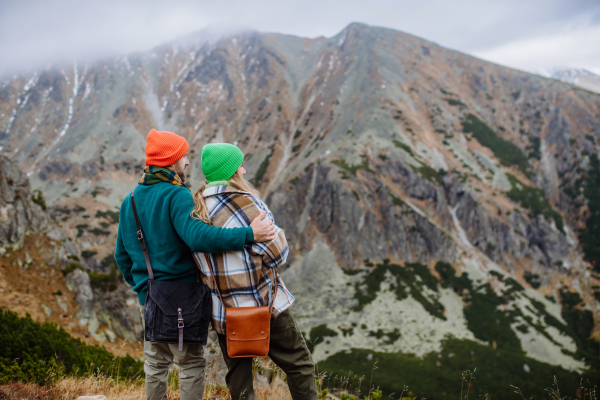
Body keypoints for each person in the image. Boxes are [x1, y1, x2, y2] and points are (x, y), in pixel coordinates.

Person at [115, 129, 276, 400]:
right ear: (171, 161)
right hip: (183, 297)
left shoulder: (129, 200)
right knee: (189, 364)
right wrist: (249, 234)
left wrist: (144, 289)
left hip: (151, 298)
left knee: (155, 365)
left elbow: (122, 256)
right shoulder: (176, 195)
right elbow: (197, 237)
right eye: (183, 156)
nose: (188, 162)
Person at [192, 143, 317, 400]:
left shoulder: (195, 210)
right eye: (240, 165)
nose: (245, 170)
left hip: (225, 313)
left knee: (239, 378)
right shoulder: (247, 204)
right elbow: (278, 254)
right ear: (231, 172)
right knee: (299, 364)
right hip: (263, 305)